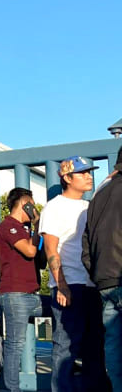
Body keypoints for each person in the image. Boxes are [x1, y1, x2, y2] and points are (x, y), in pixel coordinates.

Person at [41, 156, 107, 391]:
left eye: (90, 172)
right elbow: (51, 249)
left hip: (92, 284)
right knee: (66, 347)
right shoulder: (54, 207)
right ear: (67, 178)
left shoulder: (90, 207)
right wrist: (62, 285)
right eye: (82, 172)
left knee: (95, 347)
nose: (89, 176)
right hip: (69, 285)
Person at [0, 187, 43, 392]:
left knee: (62, 311)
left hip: (32, 294)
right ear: (25, 204)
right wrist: (38, 223)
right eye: (32, 204)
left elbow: (39, 258)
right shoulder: (8, 226)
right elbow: (30, 250)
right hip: (15, 294)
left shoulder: (25, 229)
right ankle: (12, 389)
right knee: (15, 344)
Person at [83, 146, 122, 391]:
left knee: (114, 347)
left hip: (105, 280)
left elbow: (86, 244)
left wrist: (97, 274)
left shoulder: (98, 196)